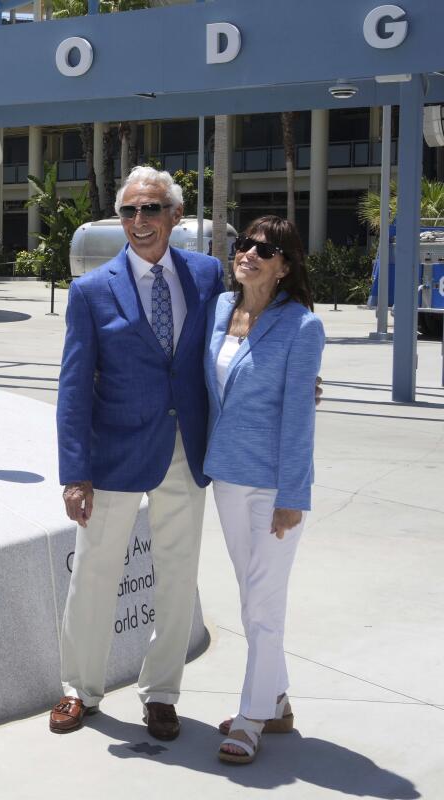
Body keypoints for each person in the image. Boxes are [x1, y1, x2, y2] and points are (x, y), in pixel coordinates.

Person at [51, 166, 225, 740]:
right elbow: (74, 387)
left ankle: (162, 693)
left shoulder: (206, 275)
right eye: (129, 211)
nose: (140, 221)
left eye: (151, 209)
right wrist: (75, 473)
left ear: (176, 215)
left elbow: (231, 345)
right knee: (95, 574)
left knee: (177, 574)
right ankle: (80, 688)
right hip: (115, 455)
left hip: (185, 451)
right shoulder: (91, 290)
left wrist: (297, 379)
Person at [204, 216, 323, 764]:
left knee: (264, 605)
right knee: (252, 597)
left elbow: (299, 418)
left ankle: (251, 718)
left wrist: (293, 496)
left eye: (264, 248)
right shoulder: (220, 311)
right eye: (244, 244)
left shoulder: (301, 327)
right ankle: (275, 700)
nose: (248, 253)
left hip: (273, 485)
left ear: (285, 265)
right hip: (227, 477)